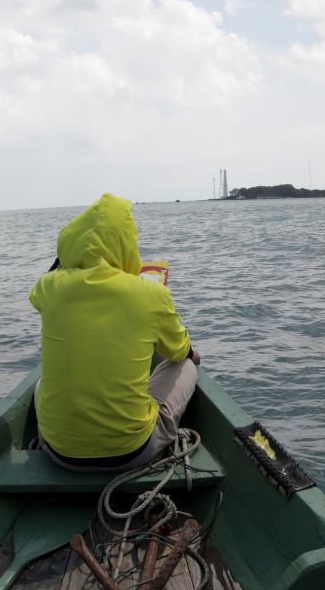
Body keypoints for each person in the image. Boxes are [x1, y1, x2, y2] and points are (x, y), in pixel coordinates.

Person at [30, 193, 201, 472]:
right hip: (131, 451)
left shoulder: (48, 288)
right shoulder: (152, 294)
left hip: (59, 452)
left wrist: (69, 262)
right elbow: (178, 350)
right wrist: (191, 353)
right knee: (186, 366)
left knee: (40, 384)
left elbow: (42, 289)